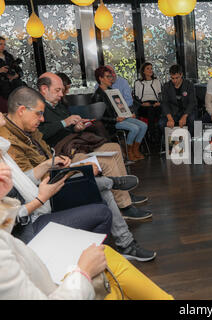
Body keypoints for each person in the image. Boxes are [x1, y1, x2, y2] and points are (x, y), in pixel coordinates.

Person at [0, 167, 173, 300]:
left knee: (105, 255)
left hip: (29, 236)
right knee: (106, 267)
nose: (5, 168)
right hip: (33, 235)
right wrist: (83, 272)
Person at [5, 84, 151, 221]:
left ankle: (121, 192)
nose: (61, 94)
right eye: (57, 90)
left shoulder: (37, 119)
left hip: (63, 156)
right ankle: (122, 201)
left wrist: (74, 129)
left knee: (113, 148)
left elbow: (46, 153)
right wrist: (71, 169)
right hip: (55, 172)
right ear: (22, 110)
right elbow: (30, 180)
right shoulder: (10, 140)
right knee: (101, 169)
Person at [92, 66, 148, 161]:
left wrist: (129, 114)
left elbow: (120, 106)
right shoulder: (97, 96)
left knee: (144, 126)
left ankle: (135, 150)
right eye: (108, 76)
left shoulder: (112, 91)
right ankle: (128, 151)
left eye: (111, 76)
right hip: (111, 123)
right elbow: (98, 118)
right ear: (100, 78)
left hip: (120, 117)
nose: (111, 78)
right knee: (135, 128)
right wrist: (115, 119)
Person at [160, 64, 197, 137]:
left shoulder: (189, 85)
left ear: (181, 75)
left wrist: (184, 116)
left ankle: (189, 140)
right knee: (161, 123)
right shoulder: (166, 86)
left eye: (177, 78)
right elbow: (164, 103)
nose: (174, 81)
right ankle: (169, 143)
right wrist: (170, 118)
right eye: (172, 78)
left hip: (187, 111)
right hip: (173, 112)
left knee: (192, 120)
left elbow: (192, 102)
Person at [134, 62, 162, 145]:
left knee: (153, 109)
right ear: (143, 71)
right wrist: (141, 104)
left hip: (155, 104)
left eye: (151, 68)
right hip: (143, 105)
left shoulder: (156, 81)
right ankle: (153, 135)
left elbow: (160, 94)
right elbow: (136, 97)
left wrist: (159, 102)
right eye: (148, 68)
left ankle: (151, 135)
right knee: (150, 110)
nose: (150, 70)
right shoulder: (138, 82)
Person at [0, 36, 25, 101]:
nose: (3, 46)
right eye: (0, 44)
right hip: (3, 91)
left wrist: (16, 75)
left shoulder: (9, 56)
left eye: (4, 44)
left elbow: (19, 71)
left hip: (16, 87)